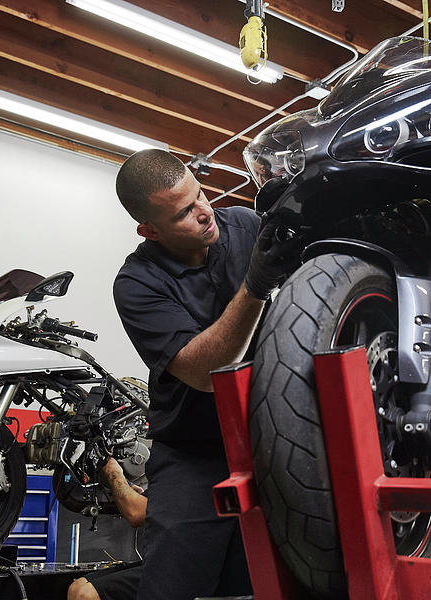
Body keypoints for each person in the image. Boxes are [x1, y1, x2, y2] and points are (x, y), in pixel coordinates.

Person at [110, 149, 300, 600]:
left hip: (276, 437)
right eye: (184, 213)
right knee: (175, 580)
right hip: (196, 450)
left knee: (280, 576)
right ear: (149, 230)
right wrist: (256, 286)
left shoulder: (247, 227)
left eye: (200, 195)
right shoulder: (137, 284)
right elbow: (203, 371)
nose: (203, 213)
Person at [67, 457, 147, 600]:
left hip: (182, 568)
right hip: (158, 560)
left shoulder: (189, 469)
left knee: (85, 595)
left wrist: (114, 473)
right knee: (77, 587)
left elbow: (136, 512)